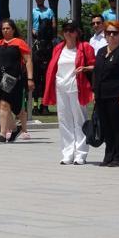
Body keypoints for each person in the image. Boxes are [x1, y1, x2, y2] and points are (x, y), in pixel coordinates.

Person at [42, 19, 95, 165]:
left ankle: (81, 154)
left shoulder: (84, 47)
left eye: (71, 30)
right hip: (61, 87)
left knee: (79, 120)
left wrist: (84, 69)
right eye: (65, 30)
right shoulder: (58, 48)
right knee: (64, 120)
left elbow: (95, 65)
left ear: (78, 32)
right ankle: (67, 153)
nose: (68, 33)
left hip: (77, 87)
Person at [93, 21, 119, 167]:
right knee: (106, 126)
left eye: (115, 33)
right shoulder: (101, 51)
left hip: (117, 95)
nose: (111, 36)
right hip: (101, 95)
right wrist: (94, 92)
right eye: (108, 33)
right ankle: (109, 155)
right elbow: (96, 73)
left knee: (117, 126)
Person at [0, 19, 34, 143]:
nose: (5, 30)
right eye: (3, 28)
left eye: (8, 28)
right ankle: (14, 129)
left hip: (11, 77)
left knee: (4, 104)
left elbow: (28, 60)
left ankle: (3, 134)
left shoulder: (19, 42)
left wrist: (30, 78)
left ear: (13, 29)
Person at [31, 0, 56, 116]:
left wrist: (51, 31)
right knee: (34, 72)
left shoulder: (49, 11)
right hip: (36, 38)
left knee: (47, 75)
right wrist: (33, 31)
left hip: (47, 39)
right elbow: (31, 24)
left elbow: (53, 23)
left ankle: (45, 104)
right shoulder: (33, 11)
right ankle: (34, 104)